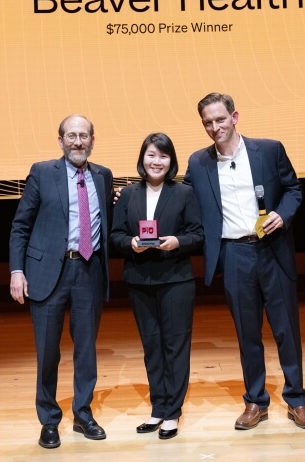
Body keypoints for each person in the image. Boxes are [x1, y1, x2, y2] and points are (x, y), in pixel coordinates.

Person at [183, 92, 305, 431]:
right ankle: (255, 401)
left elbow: (293, 189)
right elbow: (179, 199)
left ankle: (298, 400)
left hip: (272, 250)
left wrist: (282, 215)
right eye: (208, 123)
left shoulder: (269, 150)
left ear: (235, 117)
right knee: (247, 334)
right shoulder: (198, 162)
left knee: (286, 329)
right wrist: (128, 195)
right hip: (234, 254)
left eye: (220, 119)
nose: (215, 127)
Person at [9, 114, 114, 449]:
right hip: (46, 274)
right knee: (48, 352)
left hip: (88, 271)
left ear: (93, 140)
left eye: (84, 136)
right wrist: (16, 271)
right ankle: (49, 420)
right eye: (71, 136)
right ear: (60, 141)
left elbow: (108, 218)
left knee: (86, 350)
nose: (78, 142)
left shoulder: (103, 176)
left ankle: (83, 415)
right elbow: (20, 226)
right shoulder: (42, 172)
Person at [110, 133, 204, 440]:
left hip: (176, 279)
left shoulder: (184, 193)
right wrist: (131, 244)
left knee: (175, 346)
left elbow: (198, 234)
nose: (157, 161)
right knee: (151, 347)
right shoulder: (127, 195)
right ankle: (158, 407)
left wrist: (177, 242)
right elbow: (115, 237)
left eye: (163, 156)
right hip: (140, 280)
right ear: (142, 159)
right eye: (151, 155)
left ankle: (172, 413)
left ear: (171, 161)